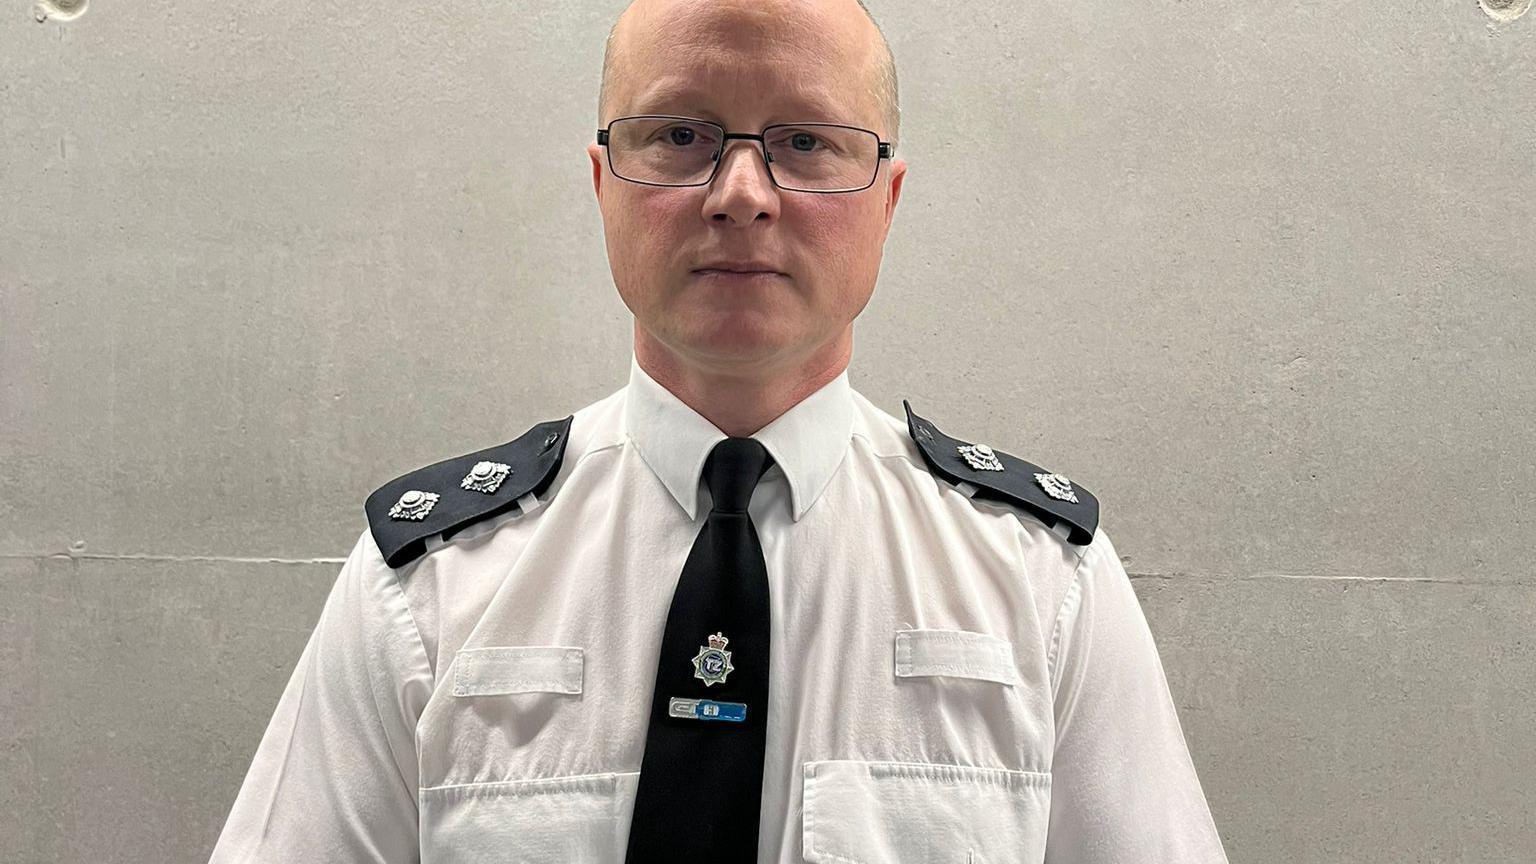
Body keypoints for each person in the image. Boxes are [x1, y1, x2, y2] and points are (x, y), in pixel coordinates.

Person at [208, 0, 1231, 861]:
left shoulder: (1039, 583)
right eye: (682, 137)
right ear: (603, 181)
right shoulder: (430, 586)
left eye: (805, 143)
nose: (742, 196)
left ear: (889, 200)